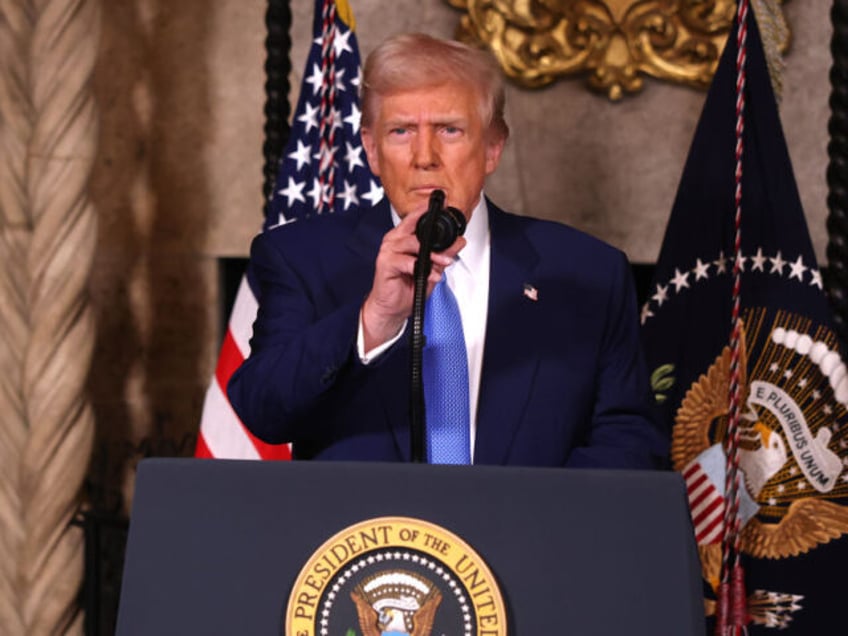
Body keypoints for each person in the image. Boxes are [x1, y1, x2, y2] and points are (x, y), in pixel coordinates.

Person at [227, 32, 667, 468]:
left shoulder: (587, 272)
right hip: (367, 536)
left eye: (449, 130)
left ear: (493, 148)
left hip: (527, 535)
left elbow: (626, 440)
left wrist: (542, 528)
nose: (425, 157)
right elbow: (263, 410)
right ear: (372, 151)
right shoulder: (301, 258)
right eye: (401, 131)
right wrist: (373, 319)